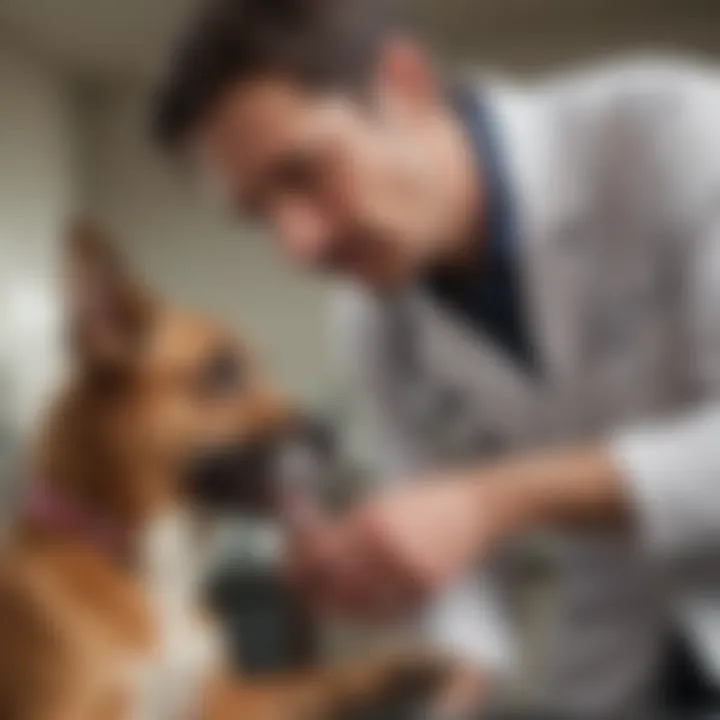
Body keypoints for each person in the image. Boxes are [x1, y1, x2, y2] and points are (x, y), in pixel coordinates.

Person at [152, 0, 720, 715]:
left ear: (404, 82)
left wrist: (489, 501)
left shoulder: (675, 135)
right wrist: (437, 656)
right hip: (614, 668)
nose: (296, 246)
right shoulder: (372, 321)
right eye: (260, 214)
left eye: (304, 174)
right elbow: (462, 583)